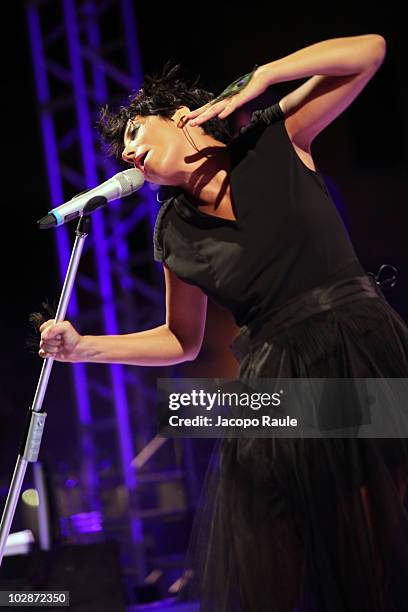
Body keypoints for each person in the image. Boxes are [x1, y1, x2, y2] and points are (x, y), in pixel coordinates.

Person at [38, 34, 408, 611]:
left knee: (371, 525)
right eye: (122, 154)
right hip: (276, 372)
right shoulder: (174, 233)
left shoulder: (272, 139)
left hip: (357, 340)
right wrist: (84, 347)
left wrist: (264, 76)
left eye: (135, 133)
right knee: (276, 536)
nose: (129, 154)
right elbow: (181, 341)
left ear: (182, 117)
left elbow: (371, 51)